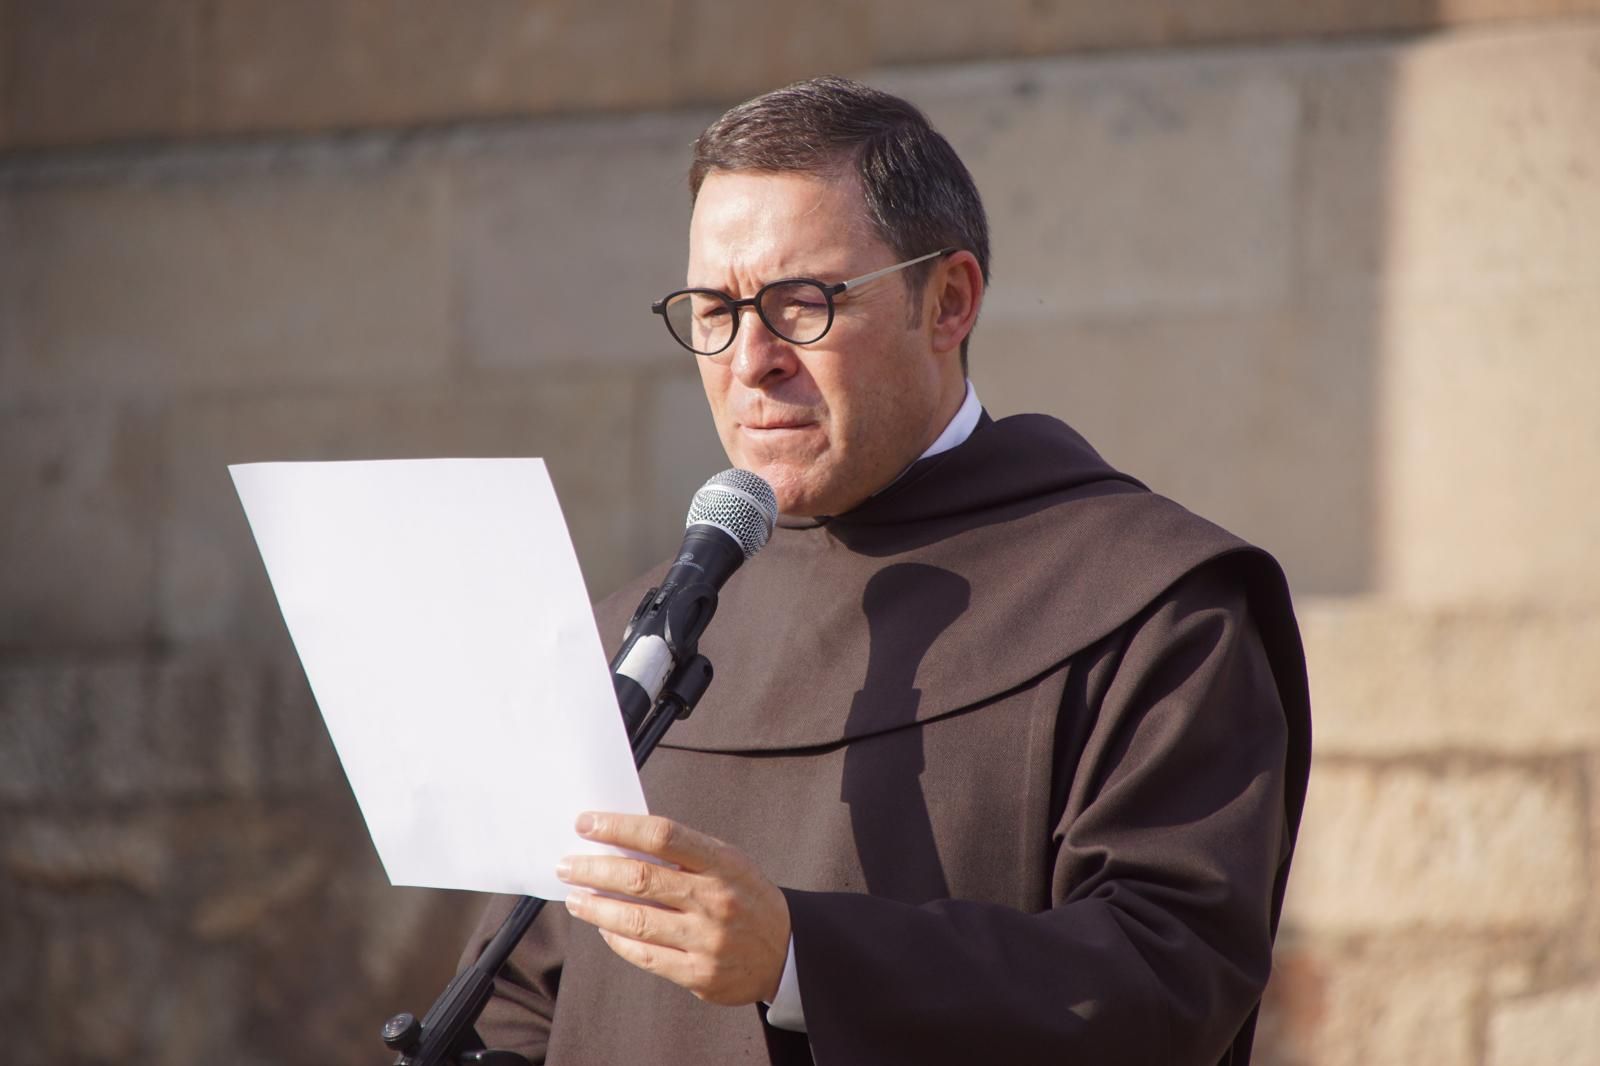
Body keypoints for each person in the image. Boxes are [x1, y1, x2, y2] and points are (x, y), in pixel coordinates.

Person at [461, 75, 1311, 1066]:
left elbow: (1168, 979)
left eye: (800, 303)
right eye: (714, 310)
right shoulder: (638, 637)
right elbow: (517, 992)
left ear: (947, 301)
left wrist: (799, 959)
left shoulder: (1151, 605)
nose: (750, 359)